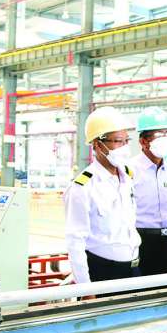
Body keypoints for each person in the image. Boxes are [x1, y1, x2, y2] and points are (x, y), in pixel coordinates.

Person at [64, 107, 141, 288]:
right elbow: (75, 241)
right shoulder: (83, 187)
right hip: (103, 271)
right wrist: (85, 287)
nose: (125, 147)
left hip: (134, 268)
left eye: (126, 141)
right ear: (98, 145)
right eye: (118, 141)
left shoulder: (127, 176)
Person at [130, 106, 167, 276]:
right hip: (140, 241)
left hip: (166, 241)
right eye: (159, 135)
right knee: (142, 289)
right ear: (143, 141)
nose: (165, 139)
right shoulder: (129, 171)